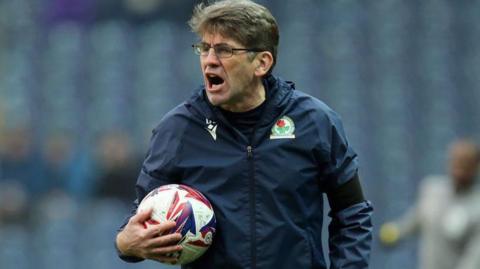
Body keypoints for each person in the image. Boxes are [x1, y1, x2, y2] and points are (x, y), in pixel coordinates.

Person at [115, 0, 373, 268]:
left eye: (224, 50)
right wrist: (125, 243)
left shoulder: (314, 121)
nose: (210, 60)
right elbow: (139, 218)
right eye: (204, 48)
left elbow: (352, 211)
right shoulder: (178, 129)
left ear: (261, 63)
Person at [380, 139, 480, 269]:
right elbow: (416, 219)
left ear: (476, 166)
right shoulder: (431, 189)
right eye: (456, 160)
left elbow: (474, 257)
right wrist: (396, 232)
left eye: (465, 162)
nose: (459, 167)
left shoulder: (477, 206)